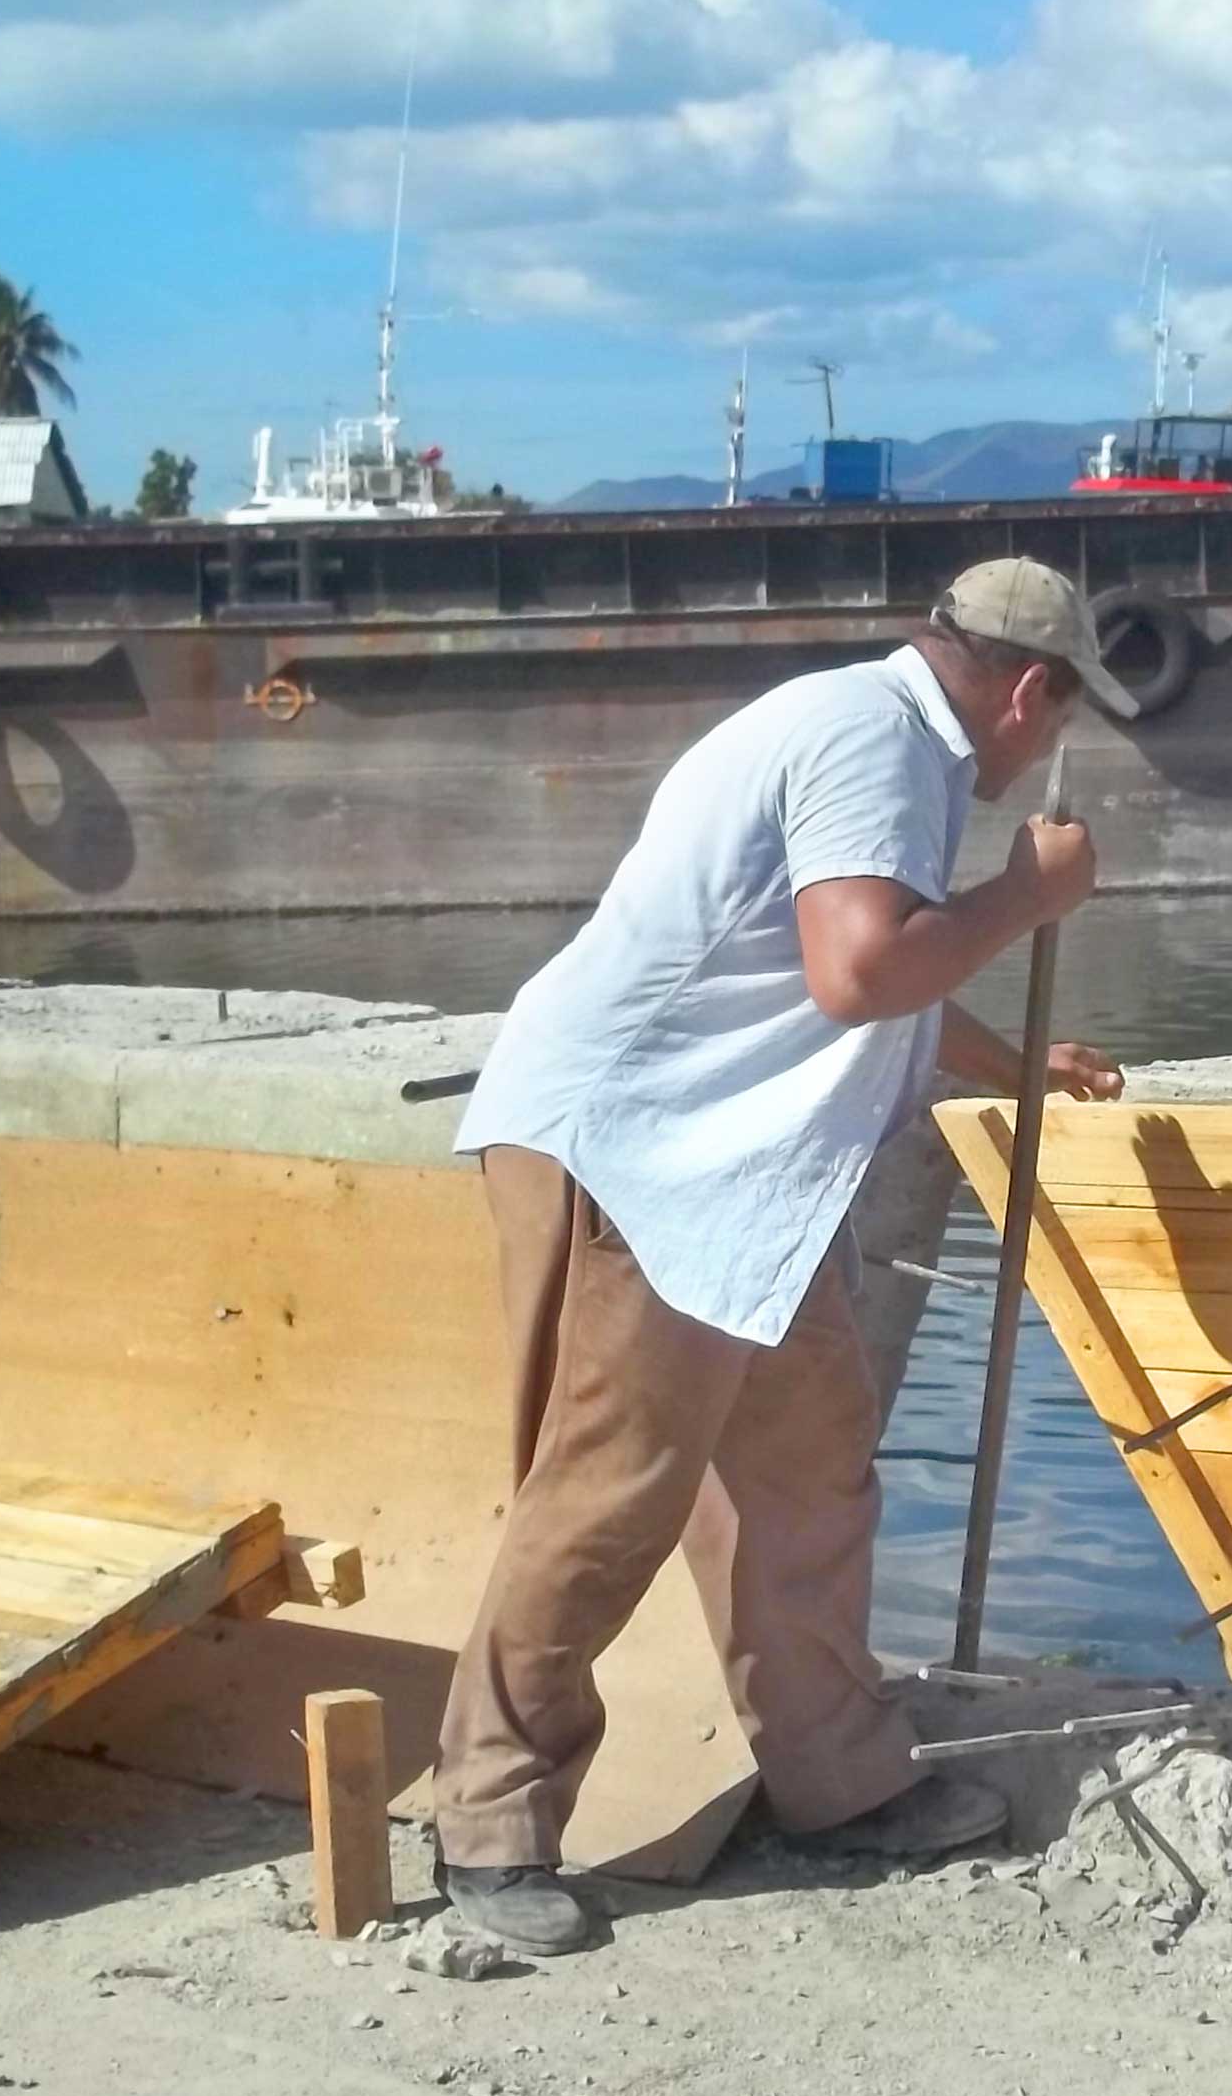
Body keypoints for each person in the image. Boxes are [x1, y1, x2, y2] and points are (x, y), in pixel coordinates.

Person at [437, 561, 1134, 1953]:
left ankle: (841, 1783)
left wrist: (1015, 1063)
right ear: (1029, 689)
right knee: (608, 1492)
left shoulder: (883, 741)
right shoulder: (877, 742)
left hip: (745, 1178)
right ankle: (492, 1829)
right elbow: (858, 971)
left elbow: (863, 998)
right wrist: (1029, 898)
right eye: (1056, 722)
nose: (1040, 755)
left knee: (810, 1470)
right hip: (642, 1152)